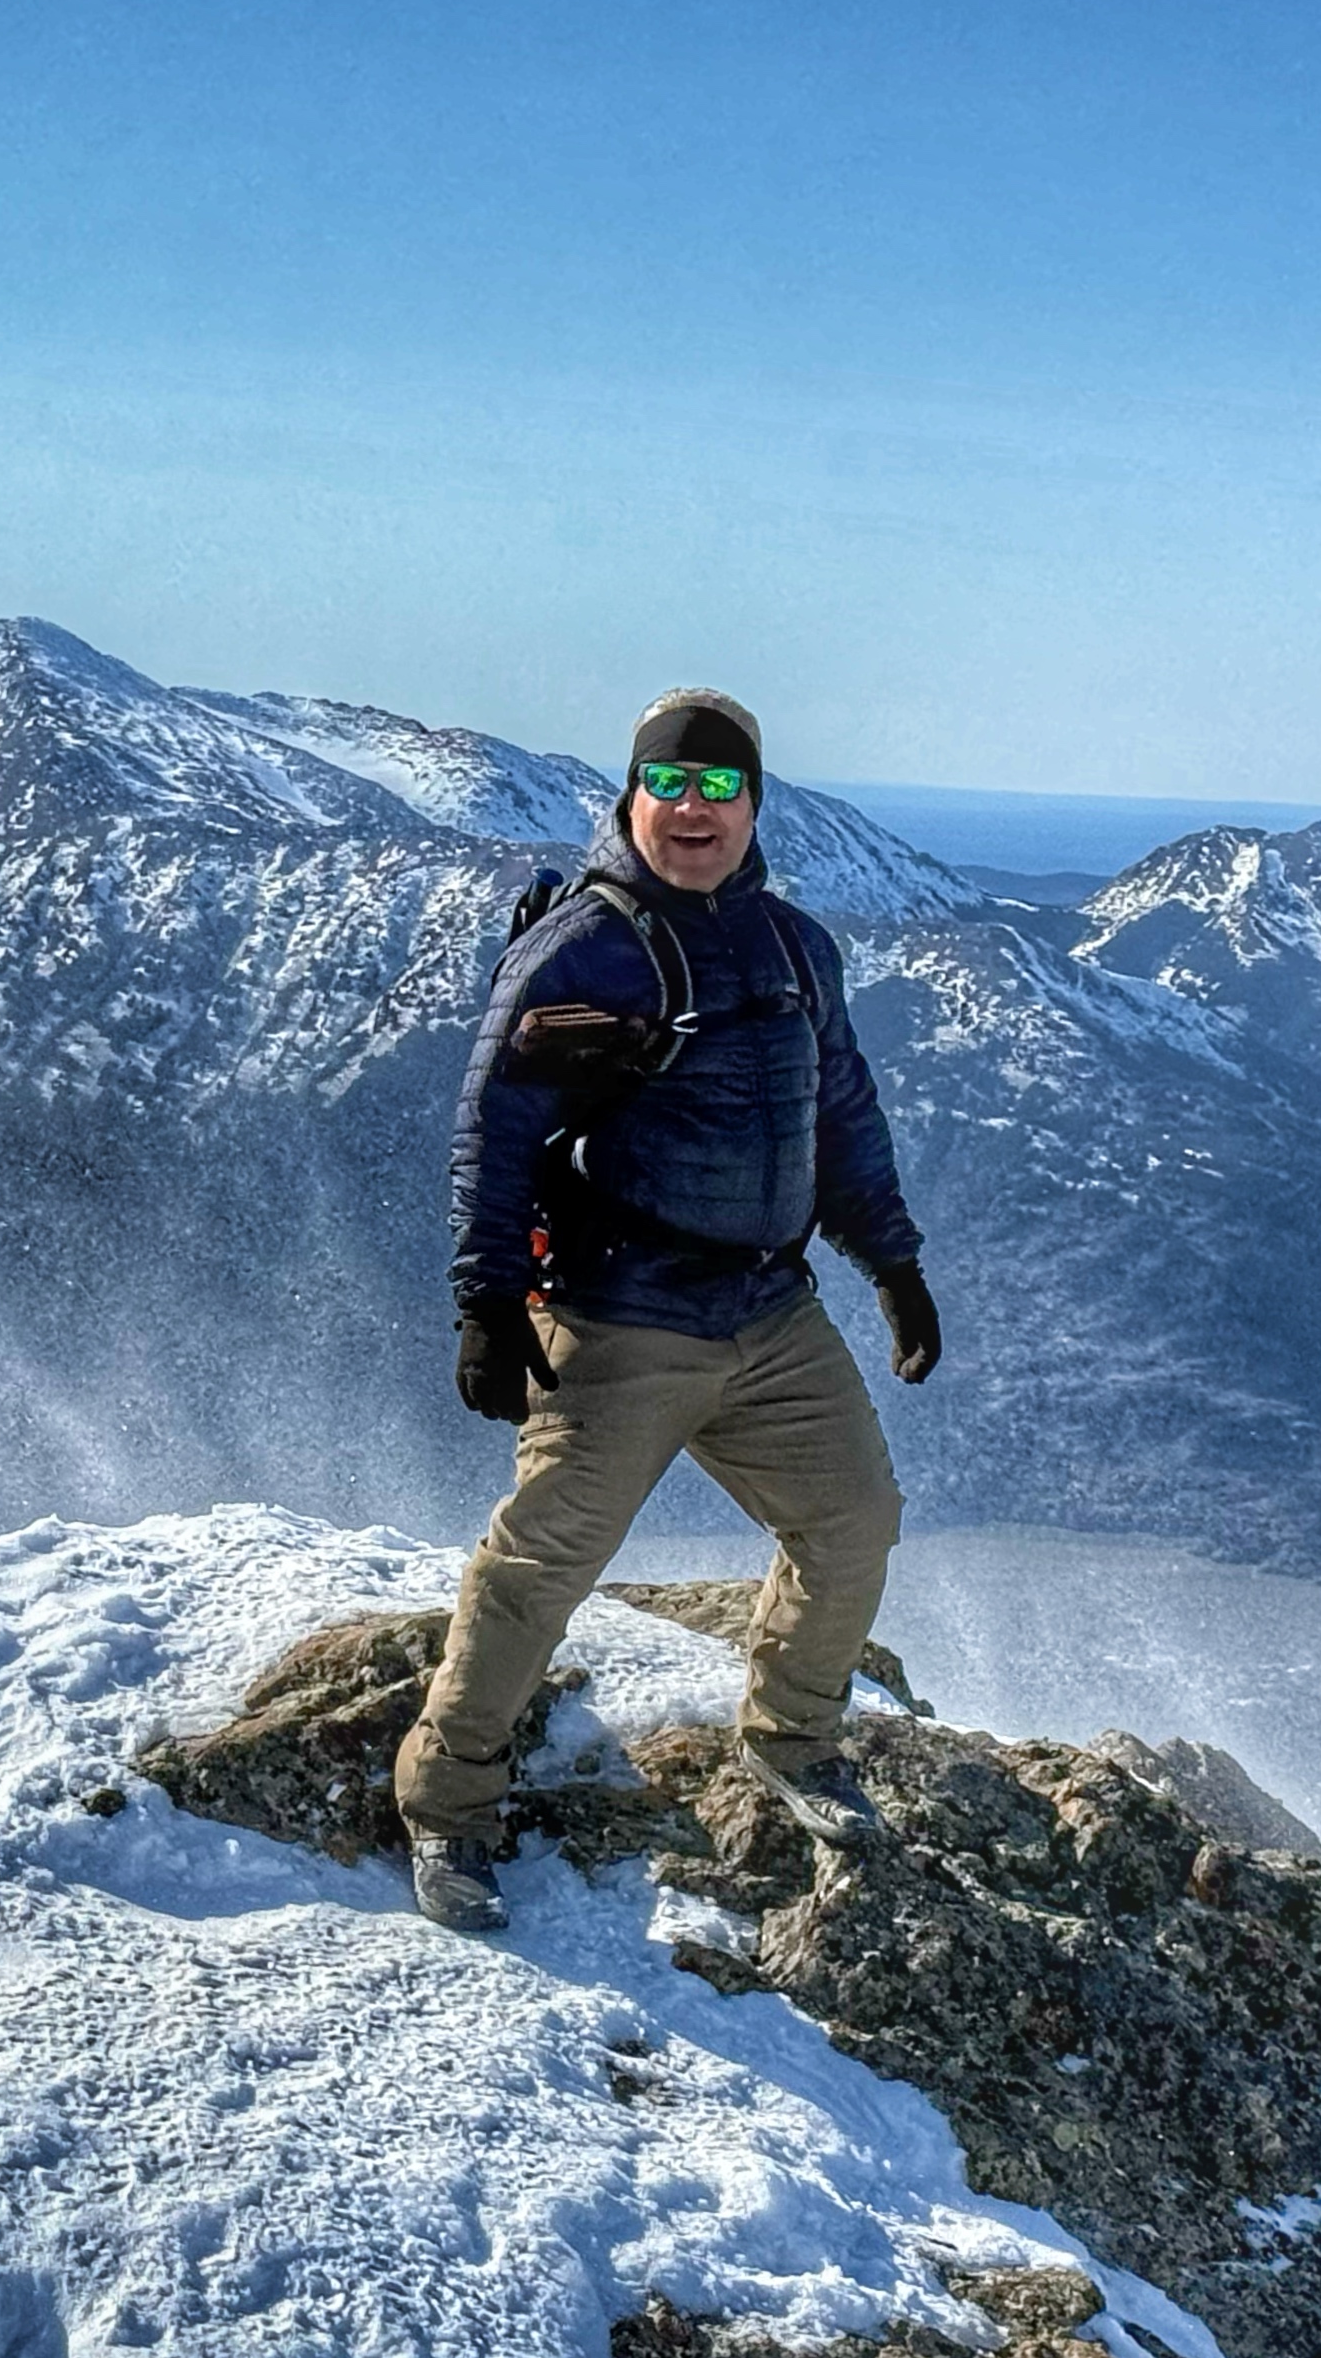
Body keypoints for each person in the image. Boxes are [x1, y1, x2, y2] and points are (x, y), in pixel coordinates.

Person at [395, 686, 941, 1931]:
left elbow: (841, 1115)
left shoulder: (800, 949)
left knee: (854, 1520)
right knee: (540, 1568)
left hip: (768, 1313)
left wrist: (893, 1265)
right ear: (632, 795)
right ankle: (447, 1808)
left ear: (754, 805)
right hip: (622, 1313)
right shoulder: (584, 948)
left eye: (720, 789)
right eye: (670, 786)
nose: (693, 812)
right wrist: (487, 1299)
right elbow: (496, 1127)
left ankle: (795, 1739)